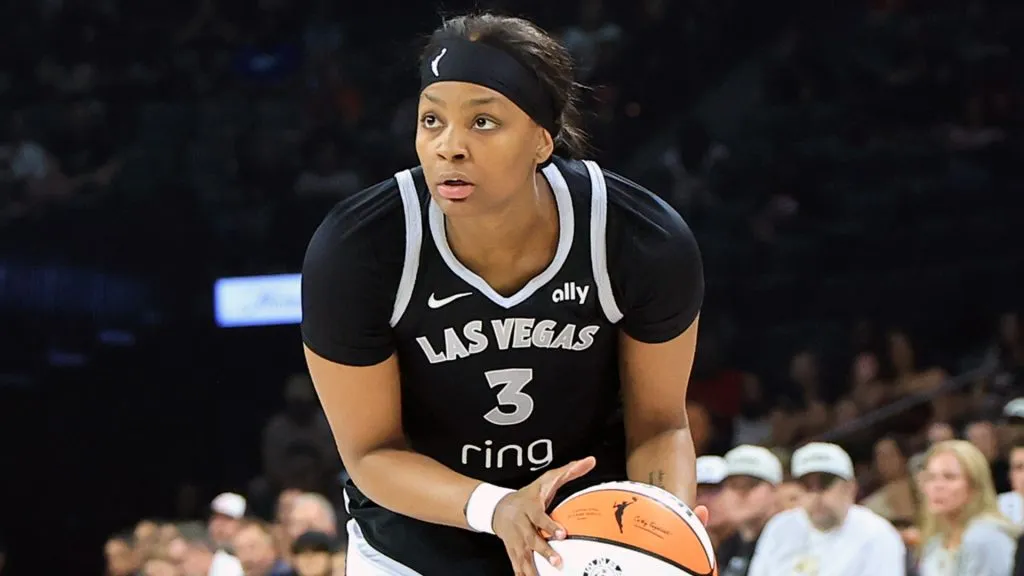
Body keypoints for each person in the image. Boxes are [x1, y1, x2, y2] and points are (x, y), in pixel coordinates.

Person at [301, 12, 705, 576]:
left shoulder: (637, 238)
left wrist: (664, 522)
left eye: (483, 122)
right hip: (415, 547)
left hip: (583, 538)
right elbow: (371, 452)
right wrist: (497, 507)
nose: (449, 147)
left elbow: (660, 425)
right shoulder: (358, 249)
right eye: (431, 120)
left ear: (542, 140)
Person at [747, 442, 906, 575]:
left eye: (825, 484)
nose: (816, 496)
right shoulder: (780, 527)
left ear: (850, 488)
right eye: (808, 487)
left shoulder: (877, 534)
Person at [918, 440, 1019, 576]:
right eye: (931, 477)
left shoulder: (985, 537)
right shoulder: (934, 543)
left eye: (949, 477)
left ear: (974, 486)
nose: (937, 486)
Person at [716, 445, 782, 576]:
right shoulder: (725, 546)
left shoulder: (789, 542)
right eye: (733, 485)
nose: (740, 493)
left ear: (775, 490)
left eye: (751, 485)